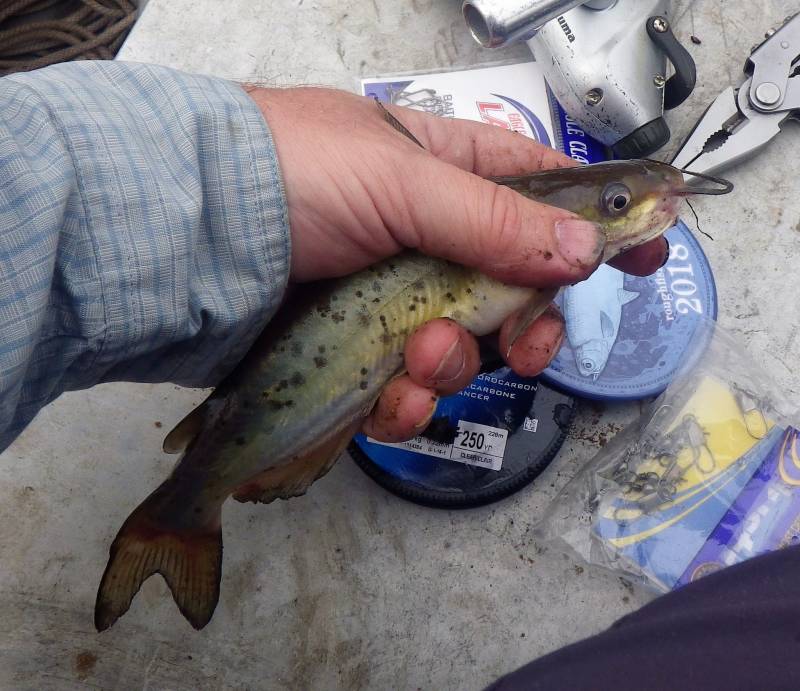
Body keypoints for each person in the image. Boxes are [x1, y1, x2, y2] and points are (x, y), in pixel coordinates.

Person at [14, 60, 791, 689]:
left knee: (430, 371)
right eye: (618, 201)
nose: (645, 204)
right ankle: (178, 516)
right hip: (301, 353)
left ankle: (191, 502)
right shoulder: (509, 234)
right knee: (423, 376)